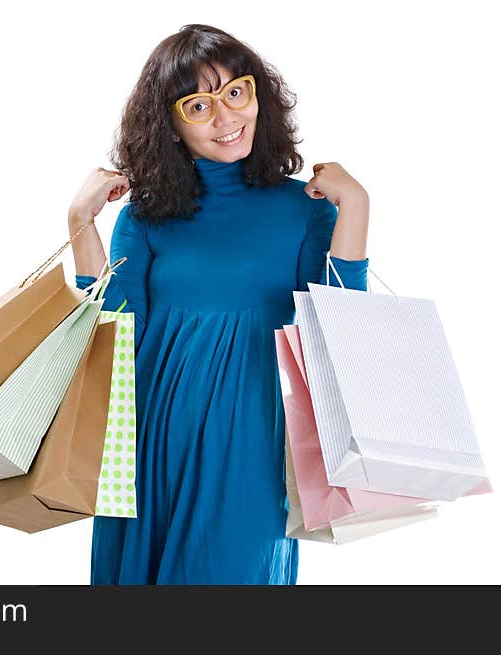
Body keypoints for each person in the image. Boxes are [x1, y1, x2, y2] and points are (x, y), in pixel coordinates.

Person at [67, 24, 370, 584]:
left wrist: (357, 207)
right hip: (148, 443)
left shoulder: (305, 209)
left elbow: (343, 333)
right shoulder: (146, 217)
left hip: (250, 442)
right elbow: (109, 338)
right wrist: (80, 224)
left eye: (237, 92)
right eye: (199, 105)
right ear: (172, 126)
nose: (227, 118)